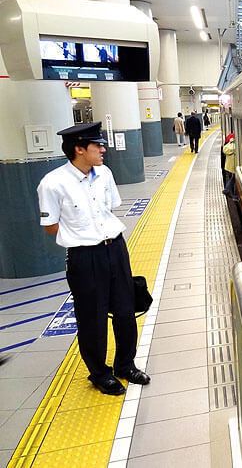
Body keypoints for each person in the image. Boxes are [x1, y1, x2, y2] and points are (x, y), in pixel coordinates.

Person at [37, 122, 150, 396]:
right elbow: (51, 226)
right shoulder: (53, 184)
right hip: (84, 257)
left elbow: (111, 208)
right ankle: (100, 373)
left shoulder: (105, 173)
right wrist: (81, 237)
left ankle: (126, 365)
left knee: (125, 312)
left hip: (116, 249)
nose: (103, 149)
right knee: (93, 319)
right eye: (97, 145)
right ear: (79, 149)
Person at [222, 133, 237, 197]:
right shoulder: (233, 145)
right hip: (231, 167)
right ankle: (227, 190)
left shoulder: (228, 145)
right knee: (232, 179)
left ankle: (230, 192)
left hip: (229, 166)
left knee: (231, 178)